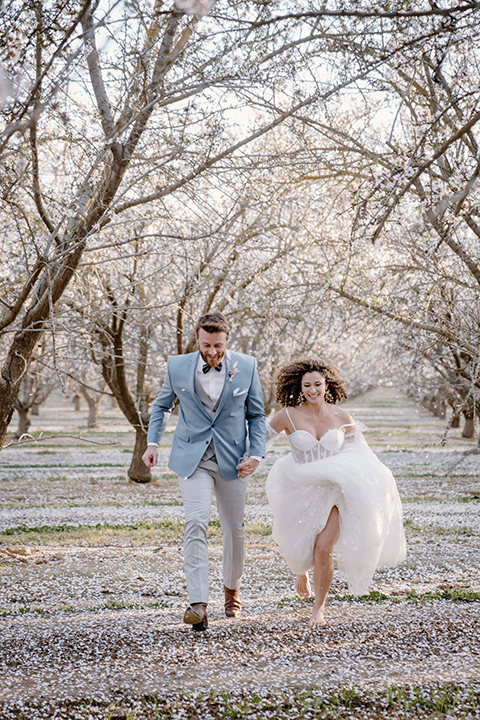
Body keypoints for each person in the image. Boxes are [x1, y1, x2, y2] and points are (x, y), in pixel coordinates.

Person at [142, 312, 266, 631]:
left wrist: (257, 455)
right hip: (192, 458)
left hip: (233, 460)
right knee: (195, 520)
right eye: (207, 345)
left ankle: (231, 589)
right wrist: (152, 443)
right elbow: (161, 406)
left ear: (228, 340)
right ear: (197, 338)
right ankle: (198, 603)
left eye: (219, 346)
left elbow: (257, 415)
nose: (212, 352)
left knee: (234, 530)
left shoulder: (247, 366)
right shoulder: (176, 366)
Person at [266, 357, 406, 627]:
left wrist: (370, 480)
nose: (313, 390)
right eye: (307, 385)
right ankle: (302, 570)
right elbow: (261, 441)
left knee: (323, 549)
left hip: (334, 491)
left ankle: (318, 609)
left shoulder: (342, 417)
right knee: (299, 544)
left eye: (317, 384)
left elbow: (358, 453)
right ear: (300, 387)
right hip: (300, 489)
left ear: (326, 384)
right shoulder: (288, 415)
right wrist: (250, 460)